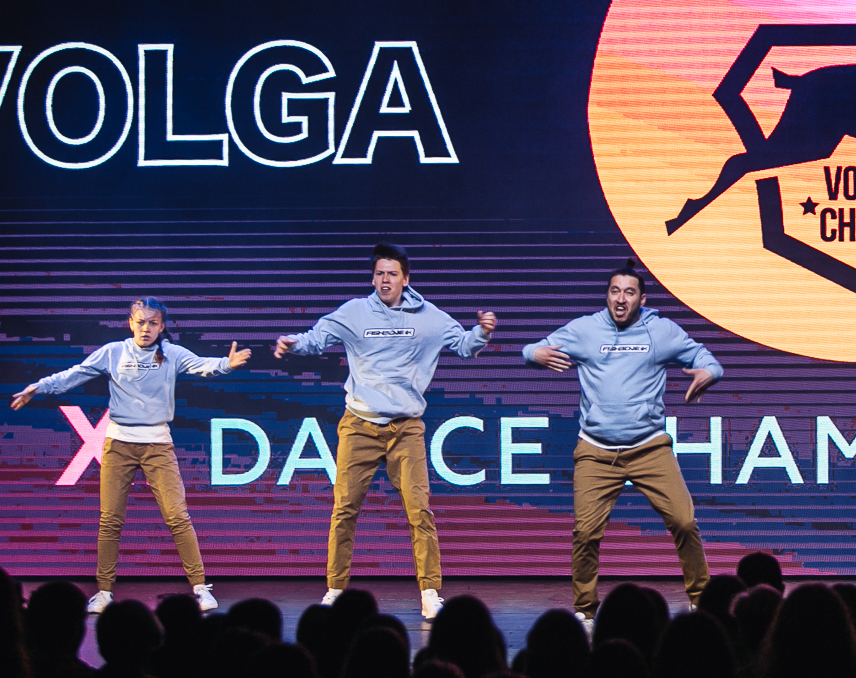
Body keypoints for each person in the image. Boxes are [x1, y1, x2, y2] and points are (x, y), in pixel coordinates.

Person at [274, 243, 496, 618]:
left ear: (406, 279)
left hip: (405, 429)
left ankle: (429, 592)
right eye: (379, 274)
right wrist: (294, 344)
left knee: (419, 511)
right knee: (344, 509)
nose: (385, 280)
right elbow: (317, 338)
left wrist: (482, 333)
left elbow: (462, 345)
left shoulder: (430, 317)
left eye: (392, 274)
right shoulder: (354, 312)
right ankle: (335, 589)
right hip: (359, 425)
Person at [11, 298, 249, 612]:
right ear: (131, 323)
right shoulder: (113, 352)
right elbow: (75, 374)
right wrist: (38, 386)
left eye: (153, 323)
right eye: (141, 322)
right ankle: (104, 592)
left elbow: (202, 365)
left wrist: (226, 364)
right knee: (110, 520)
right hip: (118, 444)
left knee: (177, 517)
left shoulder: (171, 354)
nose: (146, 328)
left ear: (162, 326)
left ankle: (200, 587)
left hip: (157, 445)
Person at [523, 261, 723, 632]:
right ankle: (585, 611)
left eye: (629, 292)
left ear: (642, 299)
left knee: (684, 521)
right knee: (585, 533)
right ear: (607, 295)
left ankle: (701, 601)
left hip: (649, 448)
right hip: (596, 451)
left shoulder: (661, 330)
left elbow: (707, 359)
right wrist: (533, 354)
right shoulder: (585, 329)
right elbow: (533, 348)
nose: (621, 298)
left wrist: (708, 372)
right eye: (615, 291)